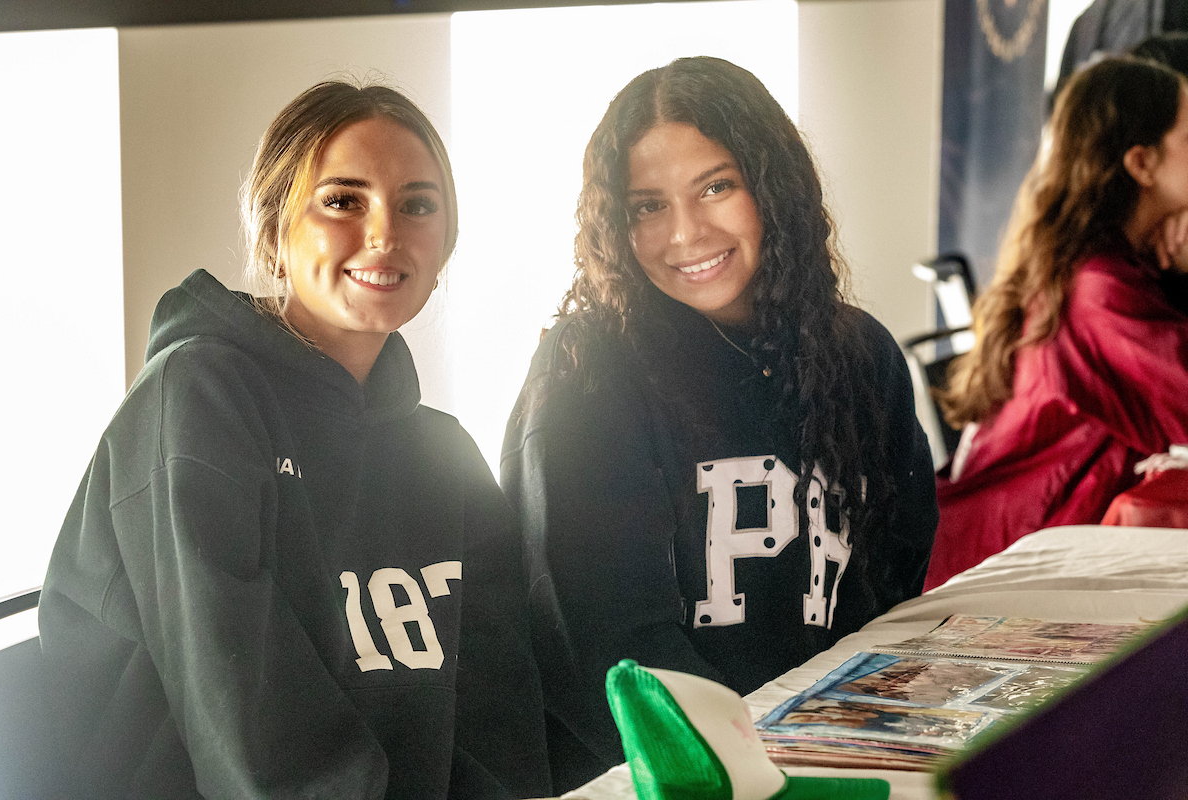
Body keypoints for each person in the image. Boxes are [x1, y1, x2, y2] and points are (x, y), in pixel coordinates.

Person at [37, 80, 550, 799]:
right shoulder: (195, 400)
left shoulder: (446, 456)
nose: (385, 233)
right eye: (343, 200)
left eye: (418, 204)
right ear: (275, 233)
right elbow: (257, 749)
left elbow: (502, 724)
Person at [501, 56, 938, 791]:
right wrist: (740, 768)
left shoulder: (861, 354)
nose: (687, 233)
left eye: (716, 186)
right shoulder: (584, 371)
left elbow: (895, 579)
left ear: (773, 186)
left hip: (830, 753)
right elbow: (595, 636)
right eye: (646, 205)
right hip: (663, 777)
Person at [927, 57, 1188, 590]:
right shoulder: (1100, 288)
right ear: (1142, 163)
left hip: (1014, 543)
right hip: (1003, 570)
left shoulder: (1098, 264)